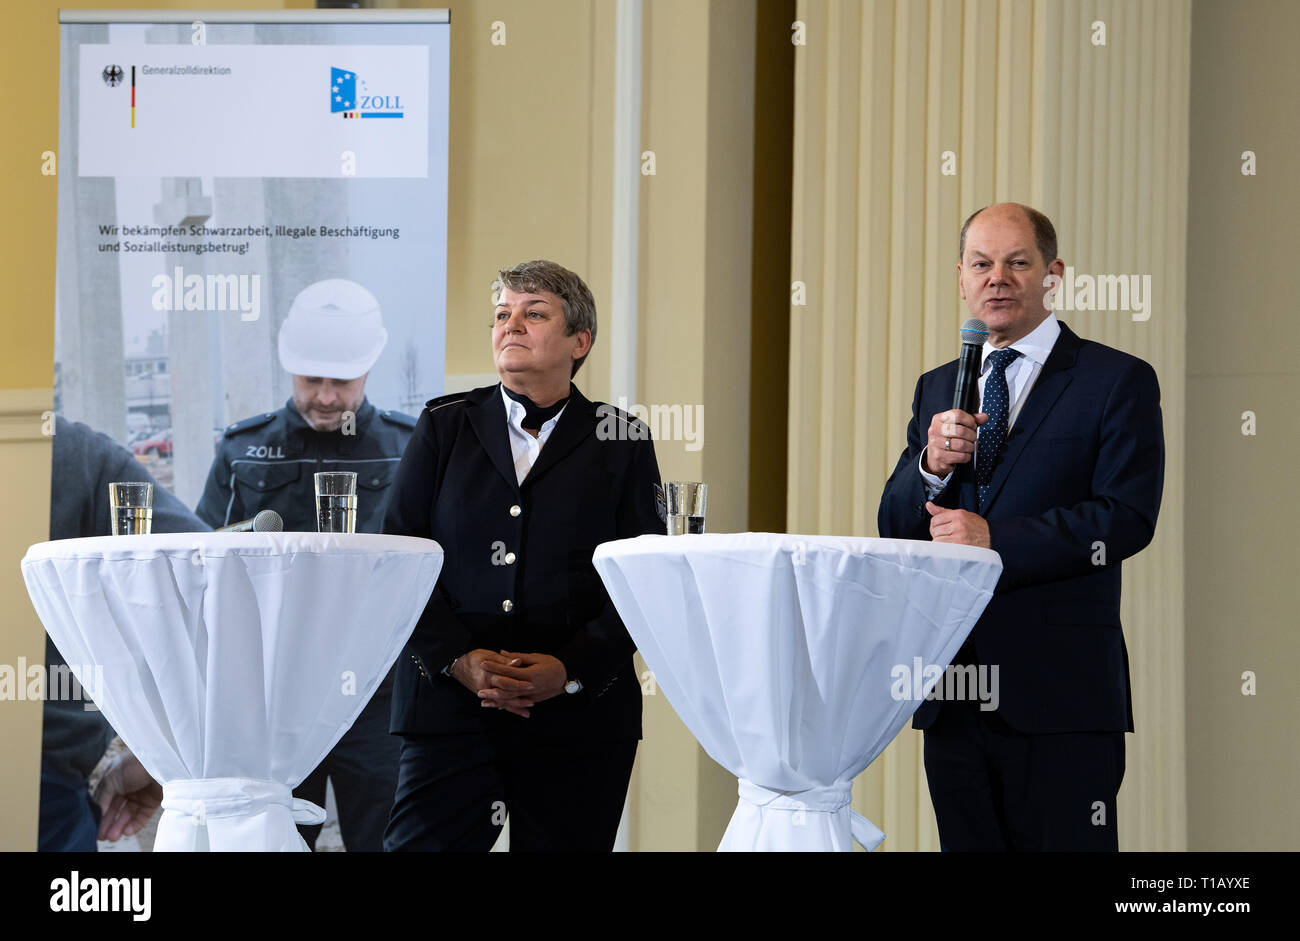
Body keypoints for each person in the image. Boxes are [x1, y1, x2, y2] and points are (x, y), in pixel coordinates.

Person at [877, 203, 1164, 851]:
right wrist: (928, 466)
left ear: (1053, 274)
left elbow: (1126, 518)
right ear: (961, 278)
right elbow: (896, 525)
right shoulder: (938, 386)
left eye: (1017, 262)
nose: (997, 278)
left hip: (1060, 694)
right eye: (981, 264)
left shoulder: (1114, 380)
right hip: (954, 689)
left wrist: (994, 541)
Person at [382, 259, 662, 852]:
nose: (511, 325)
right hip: (449, 711)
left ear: (579, 341)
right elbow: (397, 560)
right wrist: (456, 659)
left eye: (534, 314)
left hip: (579, 719)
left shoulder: (623, 438)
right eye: (502, 314)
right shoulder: (441, 424)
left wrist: (571, 669)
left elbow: (645, 579)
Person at [195, 278, 416, 851]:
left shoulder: (411, 448)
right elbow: (202, 561)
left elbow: (437, 568)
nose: (325, 396)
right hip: (273, 698)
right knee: (268, 841)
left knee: (390, 841)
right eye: (311, 379)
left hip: (379, 694)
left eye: (341, 382)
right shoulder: (242, 450)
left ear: (368, 369)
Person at [40, 415, 209, 851]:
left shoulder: (73, 455)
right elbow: (213, 580)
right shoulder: (70, 452)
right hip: (46, 778)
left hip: (48, 782)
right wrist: (168, 748)